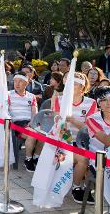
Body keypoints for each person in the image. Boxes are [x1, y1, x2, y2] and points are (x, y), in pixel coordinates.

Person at [53, 72, 97, 204]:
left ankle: (82, 185)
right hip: (62, 140)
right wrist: (68, 140)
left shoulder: (91, 103)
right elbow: (58, 124)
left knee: (95, 158)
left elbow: (90, 127)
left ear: (83, 88)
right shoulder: (59, 100)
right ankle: (77, 187)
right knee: (83, 159)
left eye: (75, 84)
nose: (71, 86)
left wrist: (72, 120)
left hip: (84, 141)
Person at [8, 71, 40, 172]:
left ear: (27, 83)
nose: (17, 84)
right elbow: (4, 111)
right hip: (16, 123)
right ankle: (28, 159)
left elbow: (35, 112)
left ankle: (36, 156)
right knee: (32, 135)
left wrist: (32, 122)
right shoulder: (8, 94)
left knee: (45, 135)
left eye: (20, 81)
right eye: (15, 81)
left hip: (30, 123)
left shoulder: (31, 96)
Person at [86, 87, 110, 203]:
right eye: (104, 100)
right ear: (99, 103)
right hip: (99, 160)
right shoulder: (92, 119)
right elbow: (107, 141)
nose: (109, 103)